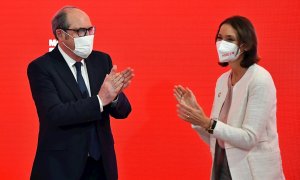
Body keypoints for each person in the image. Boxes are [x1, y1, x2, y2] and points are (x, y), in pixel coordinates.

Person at [27, 6, 134, 180]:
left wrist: (114, 97)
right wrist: (100, 100)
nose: (88, 37)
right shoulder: (41, 67)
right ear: (60, 35)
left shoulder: (102, 60)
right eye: (81, 31)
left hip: (101, 166)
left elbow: (124, 111)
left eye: (91, 30)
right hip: (62, 167)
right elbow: (55, 114)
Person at [174, 16, 285, 180]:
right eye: (219, 38)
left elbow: (249, 138)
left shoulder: (260, 79)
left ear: (245, 45)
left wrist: (206, 122)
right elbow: (217, 137)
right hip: (223, 167)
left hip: (254, 172)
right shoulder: (222, 81)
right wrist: (197, 115)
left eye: (229, 39)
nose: (221, 44)